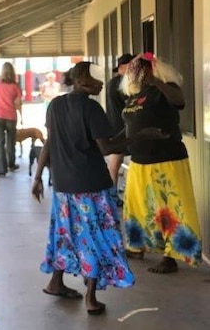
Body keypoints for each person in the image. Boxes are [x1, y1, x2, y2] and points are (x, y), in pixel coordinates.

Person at [31, 61, 163, 316]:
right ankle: (91, 297)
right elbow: (107, 148)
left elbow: (49, 142)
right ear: (82, 80)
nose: (103, 83)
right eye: (97, 78)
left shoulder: (55, 104)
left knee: (65, 233)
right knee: (96, 237)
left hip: (63, 186)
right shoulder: (91, 108)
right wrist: (142, 134)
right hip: (91, 186)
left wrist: (37, 178)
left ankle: (56, 281)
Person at [120, 53, 203, 274]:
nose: (135, 73)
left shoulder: (165, 88)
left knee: (169, 209)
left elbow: (180, 102)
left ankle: (170, 257)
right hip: (139, 162)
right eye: (133, 69)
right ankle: (137, 246)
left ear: (153, 69)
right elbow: (130, 125)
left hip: (166, 159)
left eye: (141, 68)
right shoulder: (134, 95)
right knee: (138, 207)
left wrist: (155, 80)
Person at [0, 62, 22, 176]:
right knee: (11, 142)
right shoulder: (15, 85)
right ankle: (11, 164)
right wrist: (21, 116)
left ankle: (2, 170)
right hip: (11, 116)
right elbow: (18, 103)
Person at [105, 53, 133, 187]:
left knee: (115, 163)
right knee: (115, 162)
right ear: (122, 67)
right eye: (131, 65)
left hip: (114, 126)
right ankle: (112, 194)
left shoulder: (113, 82)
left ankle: (113, 193)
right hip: (120, 126)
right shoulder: (121, 83)